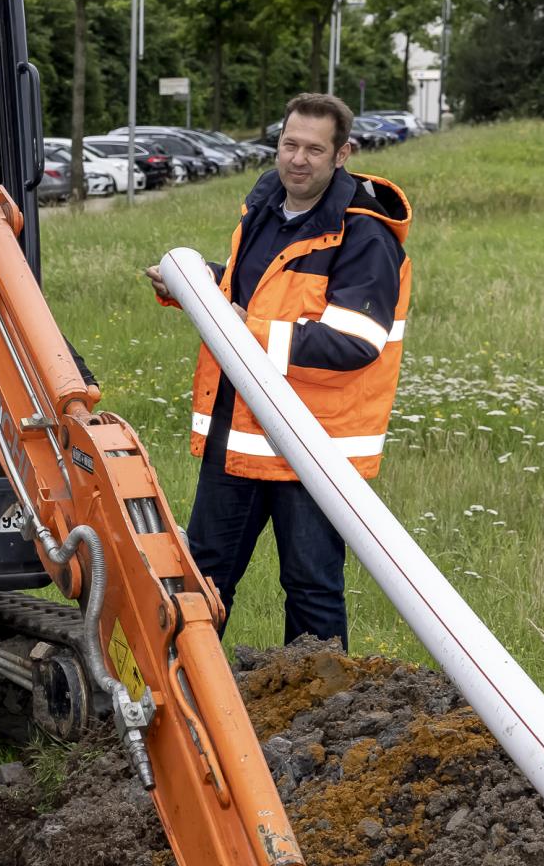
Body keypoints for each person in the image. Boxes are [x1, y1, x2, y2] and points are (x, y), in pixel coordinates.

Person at [146, 92, 413, 648]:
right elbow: (254, 295)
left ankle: (316, 719)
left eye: (315, 149)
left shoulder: (365, 235)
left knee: (311, 587)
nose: (298, 159)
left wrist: (248, 329)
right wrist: (194, 290)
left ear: (343, 155)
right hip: (238, 438)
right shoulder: (266, 204)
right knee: (204, 578)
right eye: (289, 144)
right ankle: (186, 704)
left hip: (311, 448)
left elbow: (356, 340)